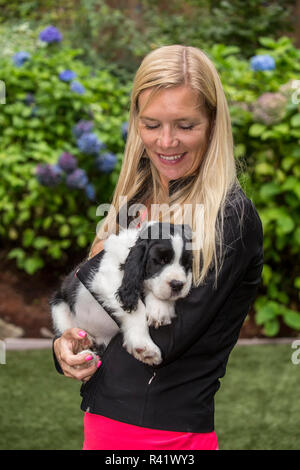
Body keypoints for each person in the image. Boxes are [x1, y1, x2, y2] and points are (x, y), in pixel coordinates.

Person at [53, 45, 264, 450]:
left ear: (213, 124)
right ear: (136, 122)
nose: (166, 142)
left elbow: (160, 342)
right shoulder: (136, 198)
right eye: (152, 124)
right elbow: (91, 296)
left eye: (185, 125)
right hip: (103, 422)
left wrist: (102, 292)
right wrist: (69, 340)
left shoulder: (229, 217)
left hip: (168, 436)